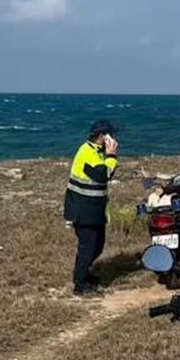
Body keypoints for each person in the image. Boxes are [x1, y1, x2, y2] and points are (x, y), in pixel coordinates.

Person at [64, 119, 119, 295]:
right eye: (111, 135)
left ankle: (85, 273)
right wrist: (111, 156)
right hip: (82, 209)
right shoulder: (87, 153)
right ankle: (80, 284)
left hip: (94, 209)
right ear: (103, 136)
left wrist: (109, 156)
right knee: (87, 247)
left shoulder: (97, 151)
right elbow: (103, 175)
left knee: (98, 245)